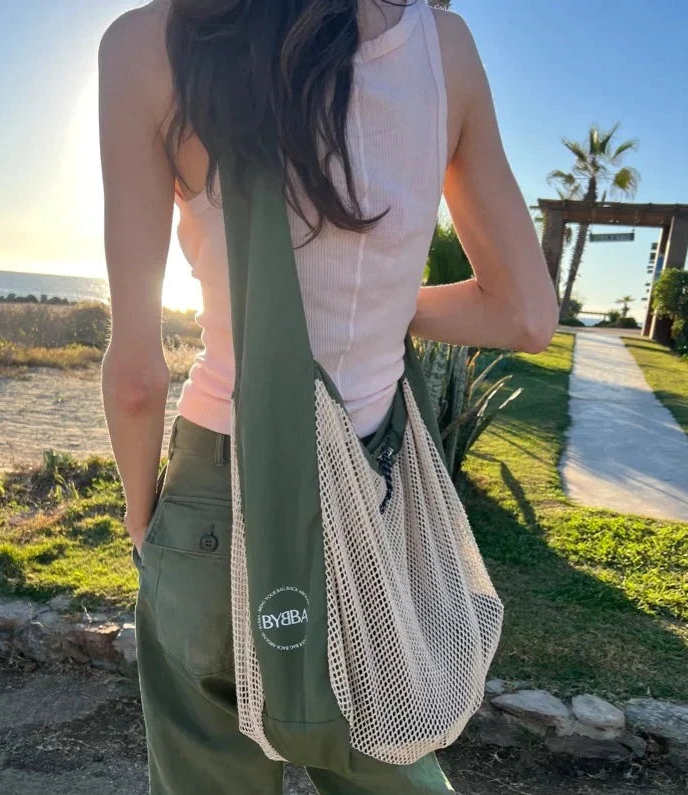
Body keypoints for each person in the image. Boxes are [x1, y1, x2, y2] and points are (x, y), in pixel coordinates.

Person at [98, 1, 560, 793]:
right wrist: (389, 303)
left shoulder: (149, 40)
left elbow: (137, 376)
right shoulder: (442, 47)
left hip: (214, 495)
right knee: (389, 759)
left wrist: (146, 523)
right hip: (365, 504)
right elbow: (523, 313)